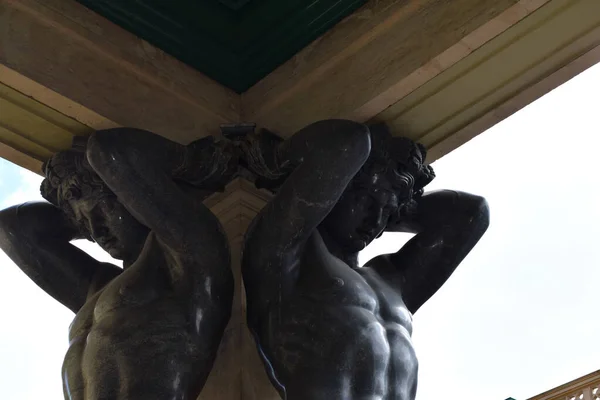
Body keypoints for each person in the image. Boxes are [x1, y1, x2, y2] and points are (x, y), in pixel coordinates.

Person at [242, 120, 490, 400]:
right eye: (366, 202)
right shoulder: (290, 255)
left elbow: (471, 214)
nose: (375, 221)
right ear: (335, 188)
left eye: (387, 211)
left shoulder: (393, 281)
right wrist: (280, 162)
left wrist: (392, 197)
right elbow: (348, 142)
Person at [0, 128, 236, 399]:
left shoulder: (187, 259)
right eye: (84, 224)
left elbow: (108, 151)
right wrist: (80, 203)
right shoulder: (98, 287)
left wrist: (194, 162)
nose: (96, 231)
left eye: (101, 212)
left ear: (132, 194)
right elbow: (13, 229)